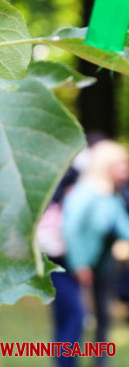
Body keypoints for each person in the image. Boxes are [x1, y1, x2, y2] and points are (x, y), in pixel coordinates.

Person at [53, 140, 129, 366]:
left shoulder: (111, 197)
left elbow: (124, 228)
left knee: (93, 319)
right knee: (74, 318)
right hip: (66, 266)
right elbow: (70, 228)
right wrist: (80, 264)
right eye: (121, 164)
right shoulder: (85, 193)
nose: (125, 170)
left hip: (95, 268)